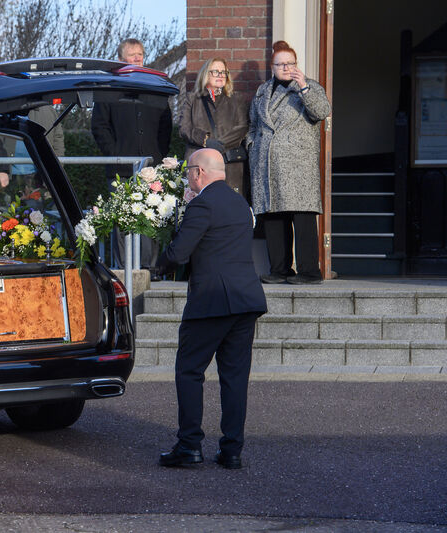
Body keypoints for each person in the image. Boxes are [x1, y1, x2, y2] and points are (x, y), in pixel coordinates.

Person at [155, 148, 267, 470]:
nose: (187, 177)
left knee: (189, 371)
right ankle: (232, 450)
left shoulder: (202, 204)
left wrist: (157, 262)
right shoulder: (241, 203)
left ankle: (189, 445)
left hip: (211, 301)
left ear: (199, 173)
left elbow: (178, 253)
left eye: (189, 171)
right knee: (234, 377)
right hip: (246, 301)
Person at [247, 40, 332, 285]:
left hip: (298, 163)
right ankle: (280, 269)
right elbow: (254, 124)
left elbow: (321, 111)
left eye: (290, 63)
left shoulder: (309, 86)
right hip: (267, 162)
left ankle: (309, 271)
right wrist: (252, 146)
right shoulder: (262, 91)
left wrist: (304, 87)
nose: (285, 67)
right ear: (271, 66)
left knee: (302, 215)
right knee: (274, 215)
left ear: (297, 64)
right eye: (280, 64)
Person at [92, 38, 173, 277]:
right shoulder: (108, 88)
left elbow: (165, 126)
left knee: (151, 216)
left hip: (151, 167)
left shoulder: (154, 87)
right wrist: (115, 155)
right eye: (132, 55)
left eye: (140, 54)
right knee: (124, 221)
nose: (138, 58)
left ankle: (150, 269)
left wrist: (158, 155)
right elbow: (99, 127)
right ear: (120, 60)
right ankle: (127, 270)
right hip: (121, 169)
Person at [179, 57, 249, 200]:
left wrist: (219, 145)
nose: (221, 75)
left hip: (229, 164)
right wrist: (205, 141)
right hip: (199, 164)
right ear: (206, 74)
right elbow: (184, 128)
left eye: (224, 72)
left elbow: (242, 128)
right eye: (216, 72)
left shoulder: (237, 99)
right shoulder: (192, 99)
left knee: (229, 206)